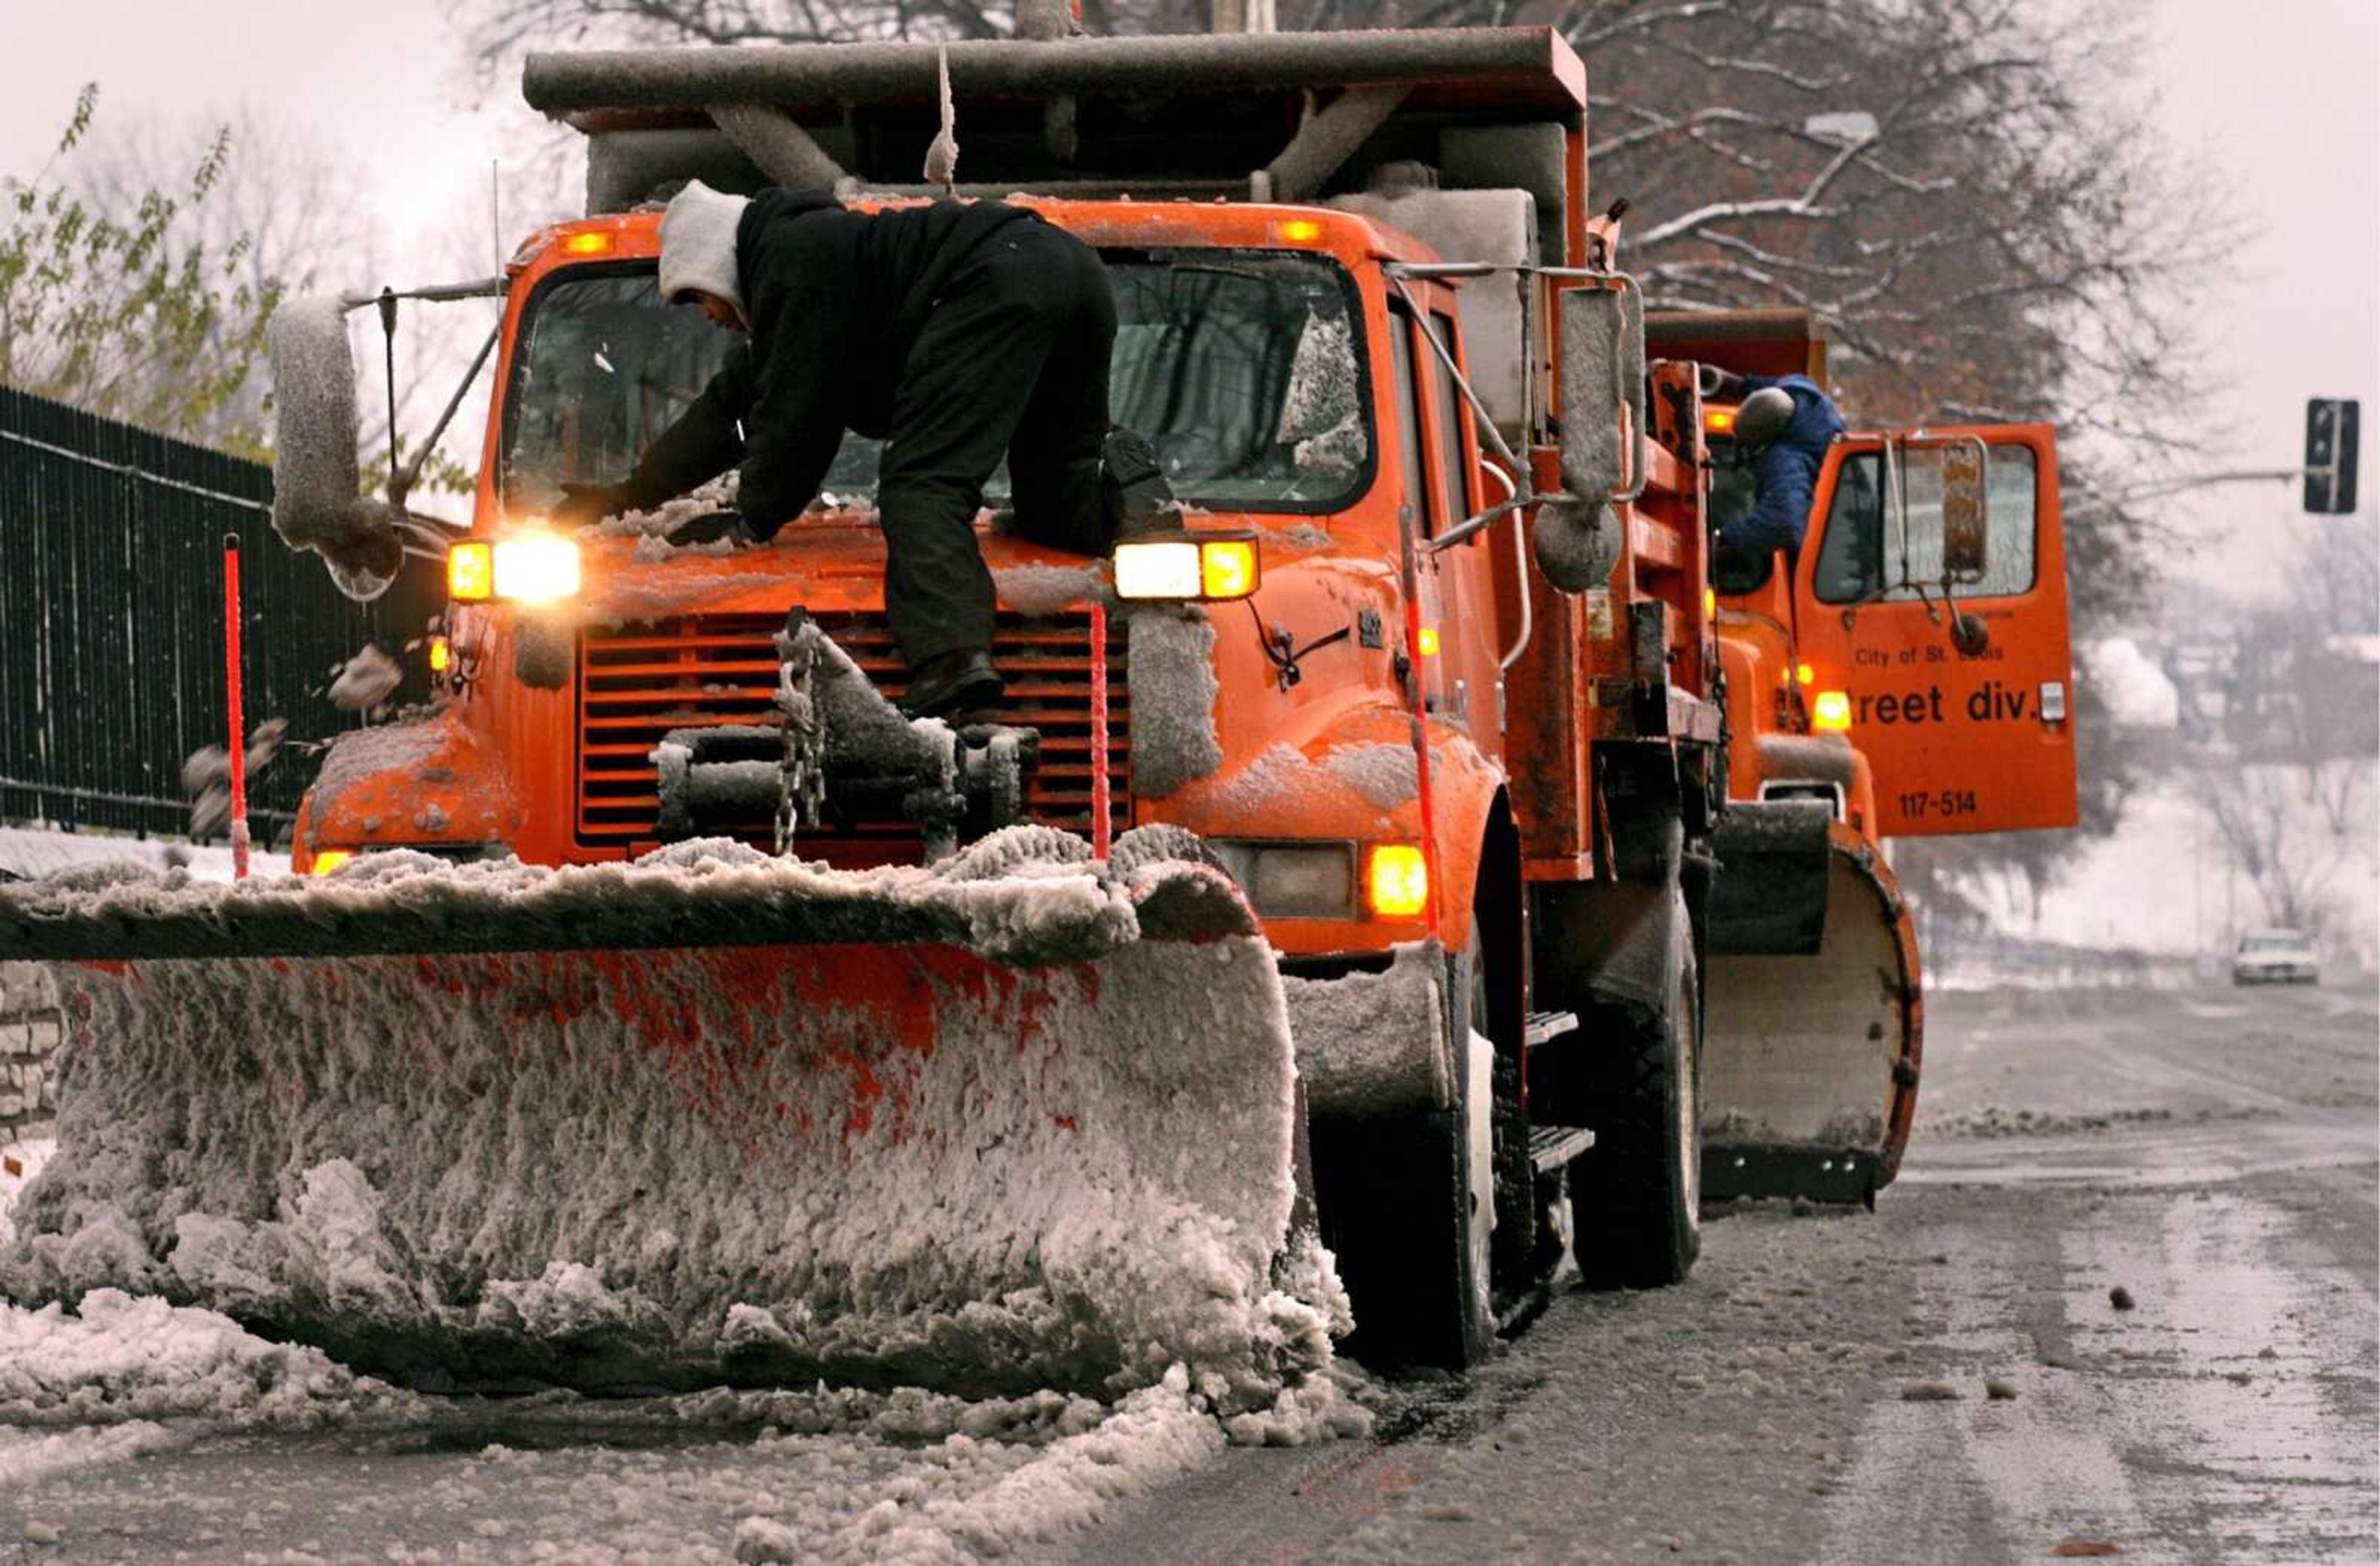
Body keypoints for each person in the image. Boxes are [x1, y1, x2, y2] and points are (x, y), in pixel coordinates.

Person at [553, 182, 1171, 720]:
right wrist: (627, 497)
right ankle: (1132, 511)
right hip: (1074, 273)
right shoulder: (811, 270)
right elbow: (726, 415)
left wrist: (754, 518)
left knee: (921, 485)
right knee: (1051, 490)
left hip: (994, 277)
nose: (707, 316)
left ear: (718, 265)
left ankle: (952, 663)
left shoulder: (795, 261)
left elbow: (800, 418)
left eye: (696, 295)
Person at [1713, 373, 1846, 561]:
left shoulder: (1786, 458)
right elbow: (1774, 390)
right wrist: (1738, 385)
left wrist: (1724, 540)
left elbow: (1784, 522)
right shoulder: (1804, 397)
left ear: (1765, 441)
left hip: (1824, 555)